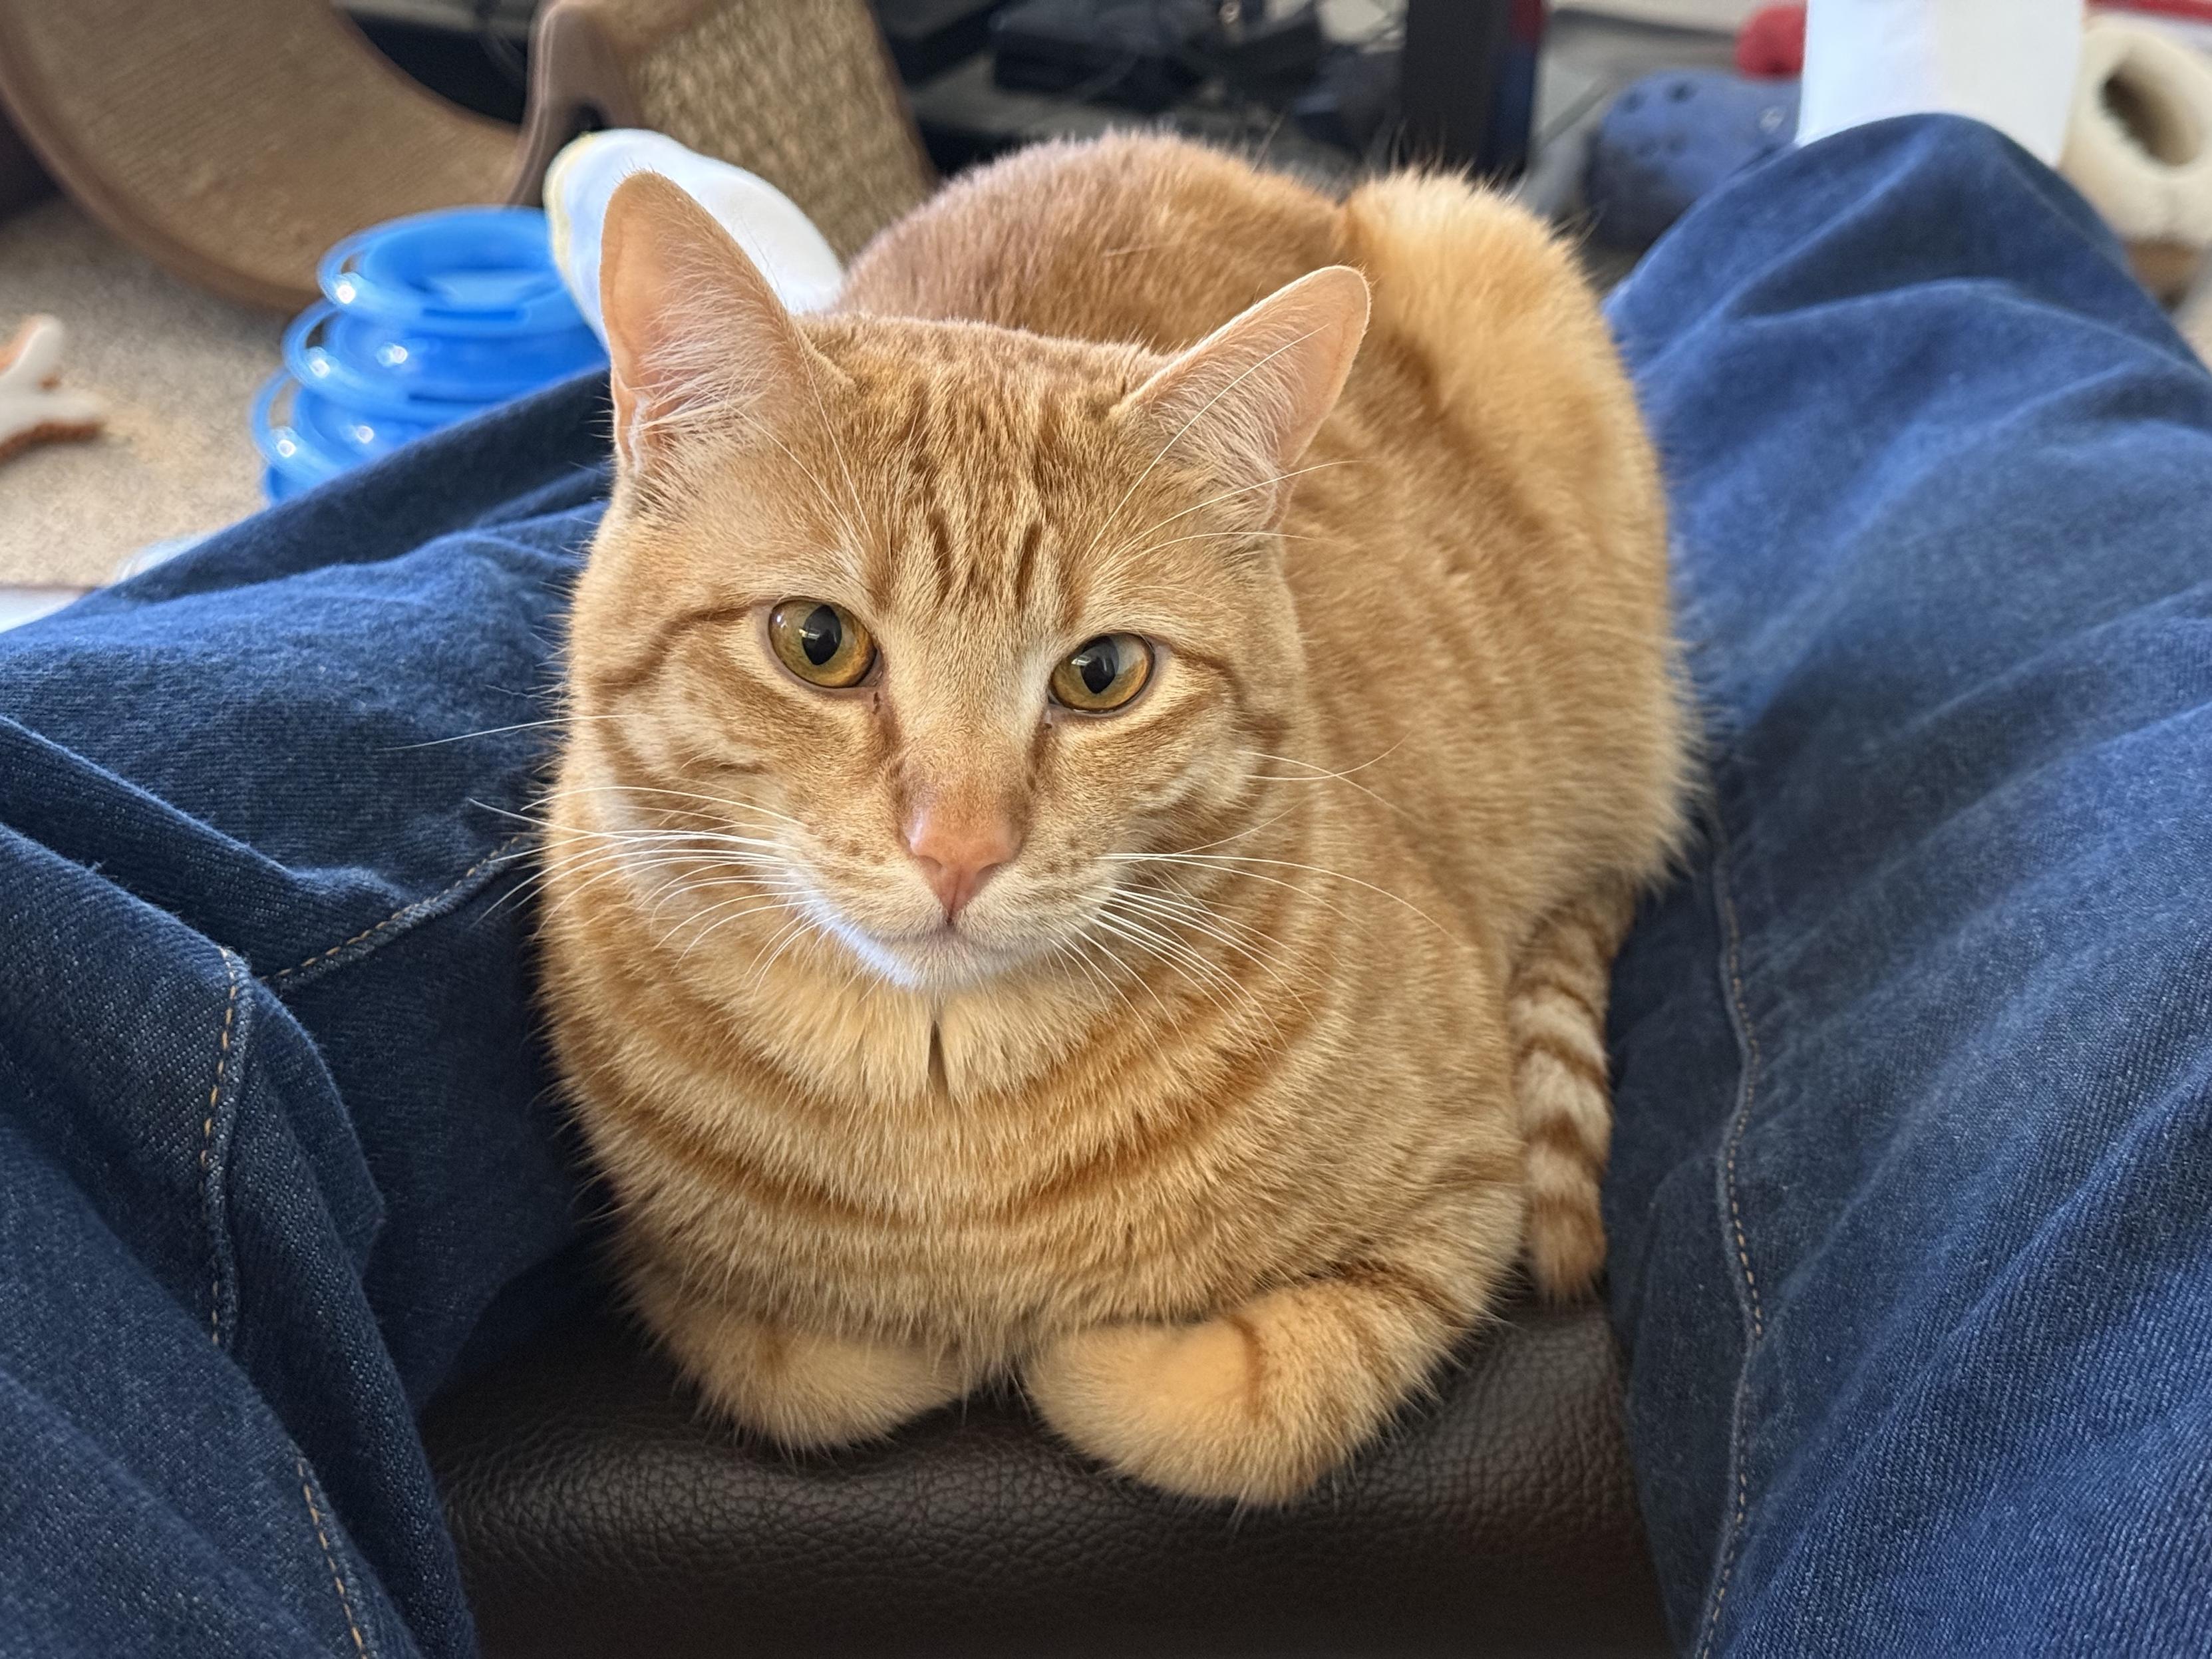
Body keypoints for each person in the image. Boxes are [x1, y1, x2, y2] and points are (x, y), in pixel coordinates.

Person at [3, 9, 2208, 1654]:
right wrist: (747, 1288)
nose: (957, 837)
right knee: (1932, 282)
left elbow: (1446, 1210)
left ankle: (1849, 236)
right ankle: (1875, 242)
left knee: (1488, 267)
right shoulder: (626, 911)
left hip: (1353, 499)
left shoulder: (1276, 941)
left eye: (1097, 686)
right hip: (872, 444)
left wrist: (1306, 1352)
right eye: (827, 655)